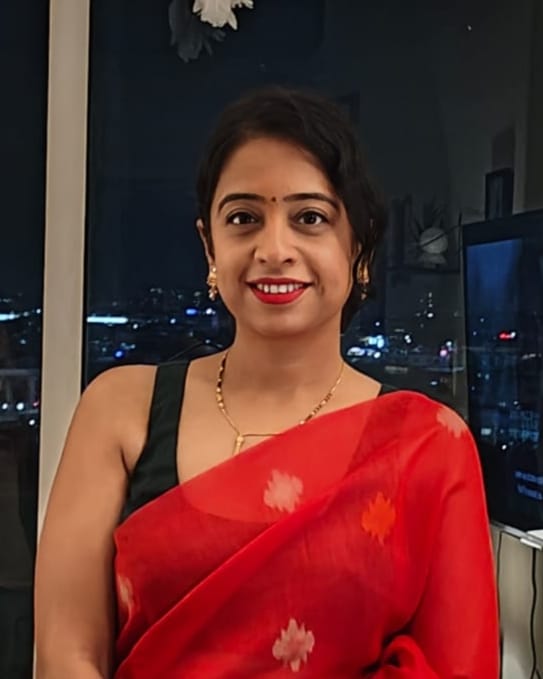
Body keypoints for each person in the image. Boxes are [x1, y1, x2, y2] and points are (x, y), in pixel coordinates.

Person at [35, 87, 499, 678]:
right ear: (209, 245)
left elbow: (457, 663)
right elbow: (66, 653)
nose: (274, 249)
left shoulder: (424, 447)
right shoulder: (122, 411)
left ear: (359, 250)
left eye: (310, 218)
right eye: (243, 218)